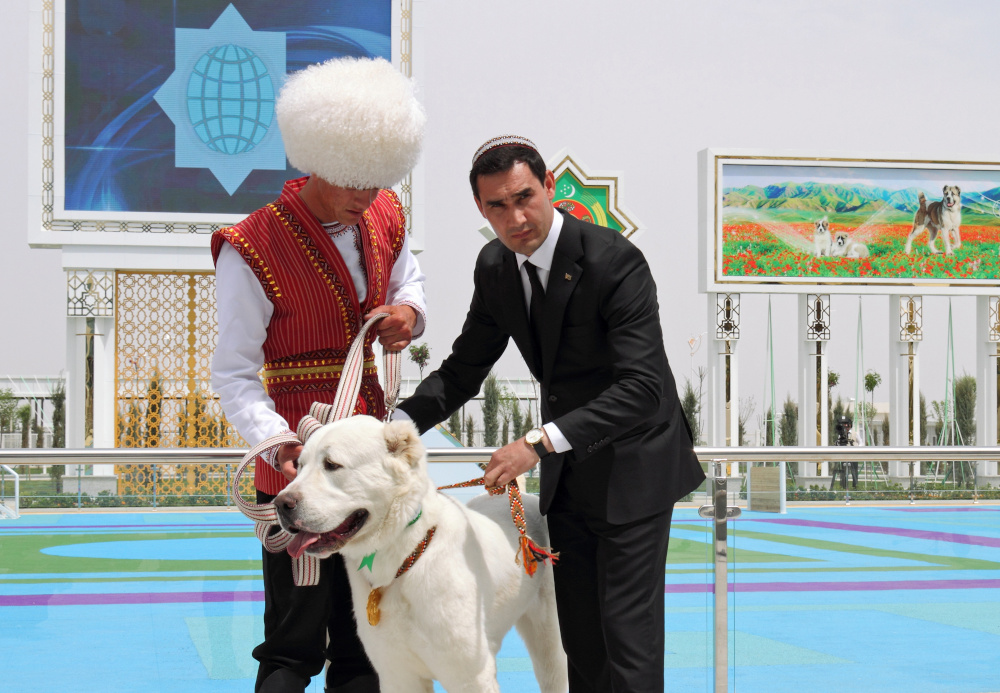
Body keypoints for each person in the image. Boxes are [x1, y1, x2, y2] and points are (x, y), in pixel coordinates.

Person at [394, 135, 705, 692]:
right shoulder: (494, 266)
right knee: (581, 643)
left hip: (636, 467)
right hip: (571, 473)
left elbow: (642, 388)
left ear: (550, 188)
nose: (515, 218)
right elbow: (463, 370)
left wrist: (534, 445)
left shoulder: (614, 261)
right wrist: (391, 429)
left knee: (627, 644)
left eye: (524, 197)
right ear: (480, 208)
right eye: (497, 206)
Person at [211, 57, 427, 693]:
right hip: (296, 463)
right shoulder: (252, 245)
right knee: (293, 645)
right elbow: (234, 373)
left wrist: (409, 315)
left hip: (369, 468)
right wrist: (285, 448)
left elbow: (408, 281)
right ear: (314, 155)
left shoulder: (386, 211)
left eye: (379, 177)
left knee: (370, 640)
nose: (368, 194)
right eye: (353, 178)